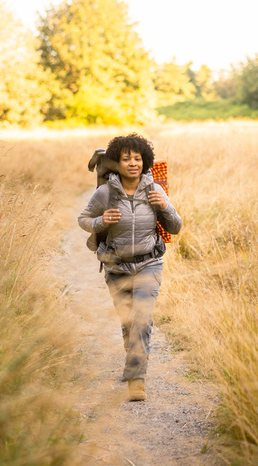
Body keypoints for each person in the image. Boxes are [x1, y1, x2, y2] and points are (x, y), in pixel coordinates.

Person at [78, 133, 182, 402]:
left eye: (137, 158)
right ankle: (133, 354)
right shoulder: (105, 193)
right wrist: (102, 220)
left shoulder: (154, 190)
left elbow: (176, 227)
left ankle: (136, 379)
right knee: (128, 323)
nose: (132, 163)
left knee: (142, 319)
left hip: (149, 263)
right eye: (126, 159)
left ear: (145, 161)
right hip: (115, 266)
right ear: (117, 163)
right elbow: (83, 219)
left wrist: (166, 206)